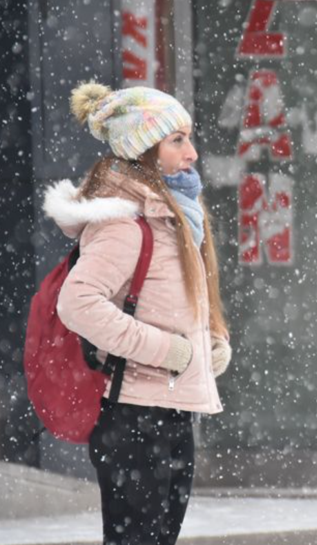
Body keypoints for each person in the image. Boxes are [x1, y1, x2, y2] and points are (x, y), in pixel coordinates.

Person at [44, 82, 232, 545]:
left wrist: (208, 343)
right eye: (177, 140)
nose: (192, 152)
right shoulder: (125, 222)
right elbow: (77, 302)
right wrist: (168, 350)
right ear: (143, 148)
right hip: (134, 417)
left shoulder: (173, 213)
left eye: (189, 138)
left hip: (169, 412)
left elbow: (167, 301)